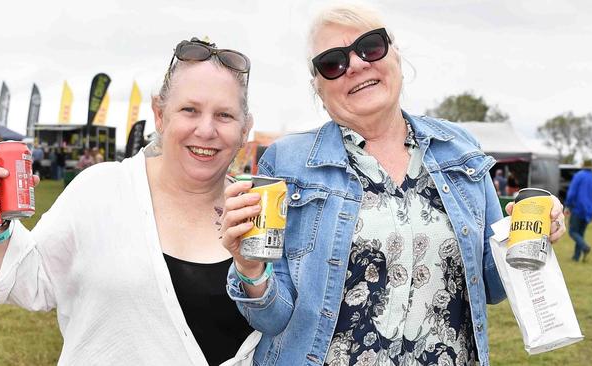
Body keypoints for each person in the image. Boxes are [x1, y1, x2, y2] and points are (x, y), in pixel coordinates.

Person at [220, 5, 566, 366]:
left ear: (395, 54)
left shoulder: (460, 149)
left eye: (370, 47)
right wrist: (250, 267)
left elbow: (493, 287)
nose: (355, 65)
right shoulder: (287, 162)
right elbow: (270, 317)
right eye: (332, 63)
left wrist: (531, 232)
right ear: (318, 88)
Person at [0, 36, 259, 365]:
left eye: (224, 115)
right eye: (190, 110)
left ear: (245, 129)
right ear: (160, 114)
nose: (206, 129)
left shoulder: (258, 214)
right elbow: (32, 283)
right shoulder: (101, 189)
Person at [565, 159, 592, 262]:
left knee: (572, 232)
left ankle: (585, 247)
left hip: (578, 208)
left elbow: (572, 193)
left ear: (583, 165)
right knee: (580, 233)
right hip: (589, 210)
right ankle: (576, 257)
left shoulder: (579, 176)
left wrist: (568, 205)